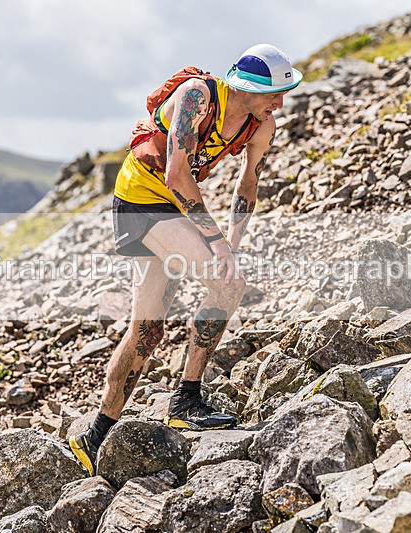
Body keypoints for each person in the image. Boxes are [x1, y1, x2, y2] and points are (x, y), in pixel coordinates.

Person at [69, 44, 302, 476]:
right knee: (228, 285)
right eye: (275, 92)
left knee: (149, 328)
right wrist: (216, 245)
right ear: (248, 88)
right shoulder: (198, 96)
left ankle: (96, 435)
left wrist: (231, 241)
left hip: (176, 206)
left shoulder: (261, 124)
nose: (281, 102)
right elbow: (177, 173)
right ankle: (187, 400)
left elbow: (247, 185)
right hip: (142, 199)